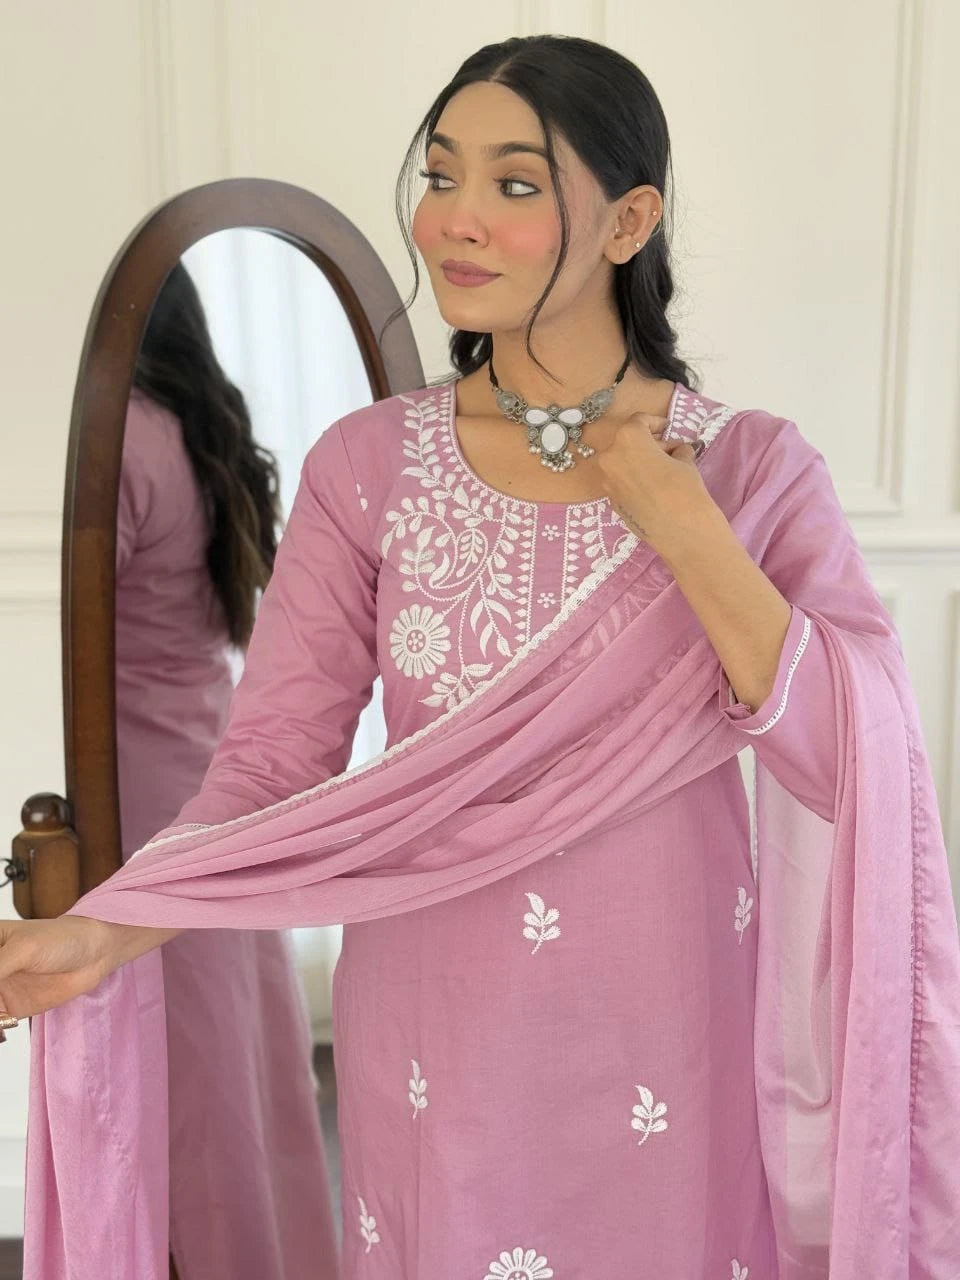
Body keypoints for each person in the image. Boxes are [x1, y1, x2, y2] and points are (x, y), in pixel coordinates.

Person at [2, 34, 959, 1280]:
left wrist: (684, 526)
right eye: (441, 175)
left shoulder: (752, 467)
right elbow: (271, 768)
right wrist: (108, 929)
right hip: (434, 1022)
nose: (454, 218)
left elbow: (856, 758)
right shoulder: (369, 465)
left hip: (668, 1012)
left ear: (629, 222)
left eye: (513, 183)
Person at [105, 264, 341, 1276]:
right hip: (209, 756)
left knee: (196, 1067)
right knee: (236, 1050)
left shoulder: (122, 436)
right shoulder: (203, 429)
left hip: (146, 780)